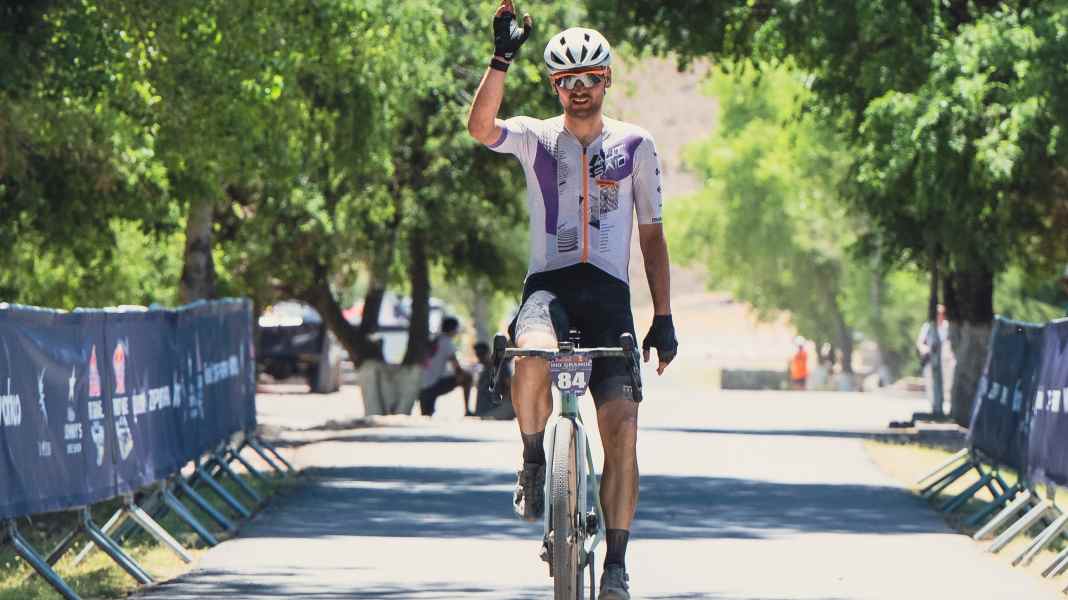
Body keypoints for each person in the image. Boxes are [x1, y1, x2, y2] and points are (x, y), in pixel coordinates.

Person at [467, 4, 678, 597]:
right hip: (551, 287)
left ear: (606, 80)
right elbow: (482, 129)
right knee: (530, 355)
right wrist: (500, 58)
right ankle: (535, 459)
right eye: (566, 81)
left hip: (609, 294)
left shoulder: (637, 145)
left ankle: (615, 563)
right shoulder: (536, 137)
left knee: (623, 431)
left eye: (589, 79)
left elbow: (653, 236)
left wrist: (662, 316)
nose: (578, 90)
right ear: (555, 86)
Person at [419, 317, 473, 417]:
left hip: (423, 384)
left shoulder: (436, 339)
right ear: (453, 329)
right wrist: (461, 375)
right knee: (468, 377)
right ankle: (467, 410)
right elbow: (456, 366)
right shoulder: (447, 342)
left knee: (426, 414)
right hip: (433, 384)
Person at [916, 304, 955, 416]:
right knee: (931, 384)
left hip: (946, 361)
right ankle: (935, 407)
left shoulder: (948, 327)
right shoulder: (928, 326)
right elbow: (920, 343)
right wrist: (926, 350)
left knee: (947, 384)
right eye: (938, 314)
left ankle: (945, 407)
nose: (939, 316)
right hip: (931, 359)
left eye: (941, 314)